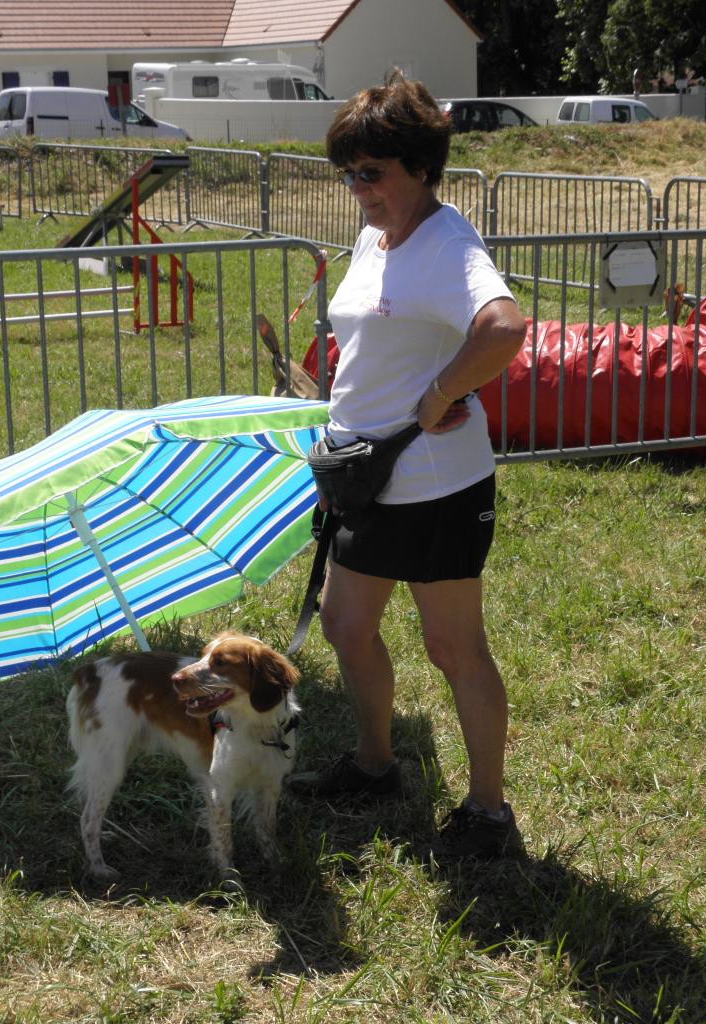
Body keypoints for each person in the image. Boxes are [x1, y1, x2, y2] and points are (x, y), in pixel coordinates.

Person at [287, 73, 528, 861]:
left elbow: (502, 327)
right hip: (366, 477)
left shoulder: (448, 242)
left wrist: (438, 393)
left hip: (435, 485)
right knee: (345, 623)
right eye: (348, 172)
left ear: (422, 167)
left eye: (373, 172)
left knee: (453, 648)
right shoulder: (375, 234)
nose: (359, 189)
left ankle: (488, 813)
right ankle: (375, 763)